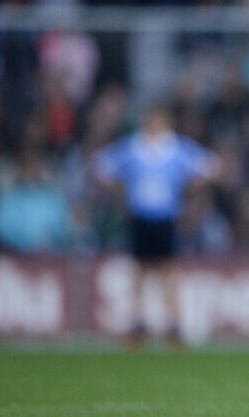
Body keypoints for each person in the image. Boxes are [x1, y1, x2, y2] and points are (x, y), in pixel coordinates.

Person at [94, 103, 219, 348]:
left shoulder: (175, 149)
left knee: (167, 270)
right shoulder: (133, 148)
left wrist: (189, 188)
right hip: (140, 216)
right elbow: (101, 167)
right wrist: (120, 193)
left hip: (165, 217)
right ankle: (137, 323)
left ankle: (173, 323)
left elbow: (210, 166)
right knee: (140, 270)